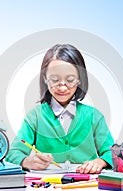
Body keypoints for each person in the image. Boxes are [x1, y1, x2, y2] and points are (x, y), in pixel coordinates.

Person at [6, 44, 114, 174]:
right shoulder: (35, 117)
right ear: (45, 78)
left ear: (79, 80)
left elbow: (112, 154)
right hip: (48, 187)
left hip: (86, 186)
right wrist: (27, 161)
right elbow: (13, 154)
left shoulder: (93, 116)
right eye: (55, 79)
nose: (62, 88)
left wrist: (100, 162)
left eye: (70, 80)